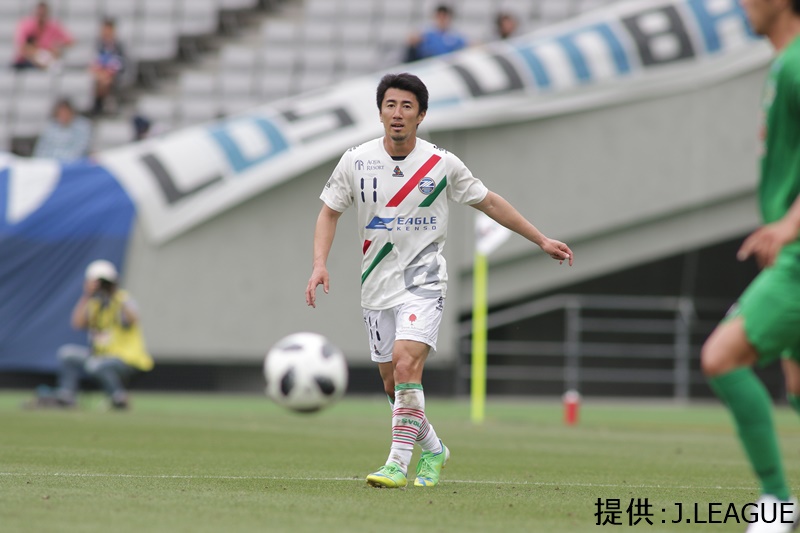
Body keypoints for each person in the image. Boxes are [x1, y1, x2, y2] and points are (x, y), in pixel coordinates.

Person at [305, 72, 573, 489]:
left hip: (424, 281)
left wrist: (540, 239)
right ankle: (433, 449)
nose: (398, 113)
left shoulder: (441, 163)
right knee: (392, 383)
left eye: (407, 106)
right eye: (391, 105)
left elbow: (490, 202)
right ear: (380, 113)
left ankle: (397, 463)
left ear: (421, 115)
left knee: (406, 363)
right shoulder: (355, 160)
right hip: (376, 283)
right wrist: (319, 264)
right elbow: (329, 212)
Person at [700, 0, 800, 531]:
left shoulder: (796, 65)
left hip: (798, 257)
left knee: (722, 357)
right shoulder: (784, 64)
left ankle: (777, 503)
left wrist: (788, 226)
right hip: (790, 252)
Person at [31, 260, 153, 410]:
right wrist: (87, 295)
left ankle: (119, 398)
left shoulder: (122, 299)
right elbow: (77, 323)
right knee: (67, 354)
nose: (102, 286)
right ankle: (67, 397)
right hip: (100, 355)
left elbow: (134, 319)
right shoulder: (94, 303)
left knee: (95, 365)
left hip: (126, 359)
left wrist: (115, 293)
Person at [12, 1, 74, 71]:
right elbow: (22, 46)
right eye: (39, 14)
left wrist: (58, 45)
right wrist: (37, 53)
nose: (41, 16)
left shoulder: (53, 26)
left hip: (46, 61)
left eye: (43, 14)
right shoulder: (26, 25)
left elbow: (70, 41)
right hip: (26, 62)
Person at [90, 18, 126, 115]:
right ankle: (100, 104)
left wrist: (107, 73)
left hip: (114, 76)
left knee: (105, 80)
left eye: (108, 30)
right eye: (104, 30)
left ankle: (99, 105)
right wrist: (100, 72)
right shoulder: (97, 45)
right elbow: (94, 61)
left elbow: (119, 63)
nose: (106, 33)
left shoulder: (119, 46)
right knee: (99, 80)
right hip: (99, 74)